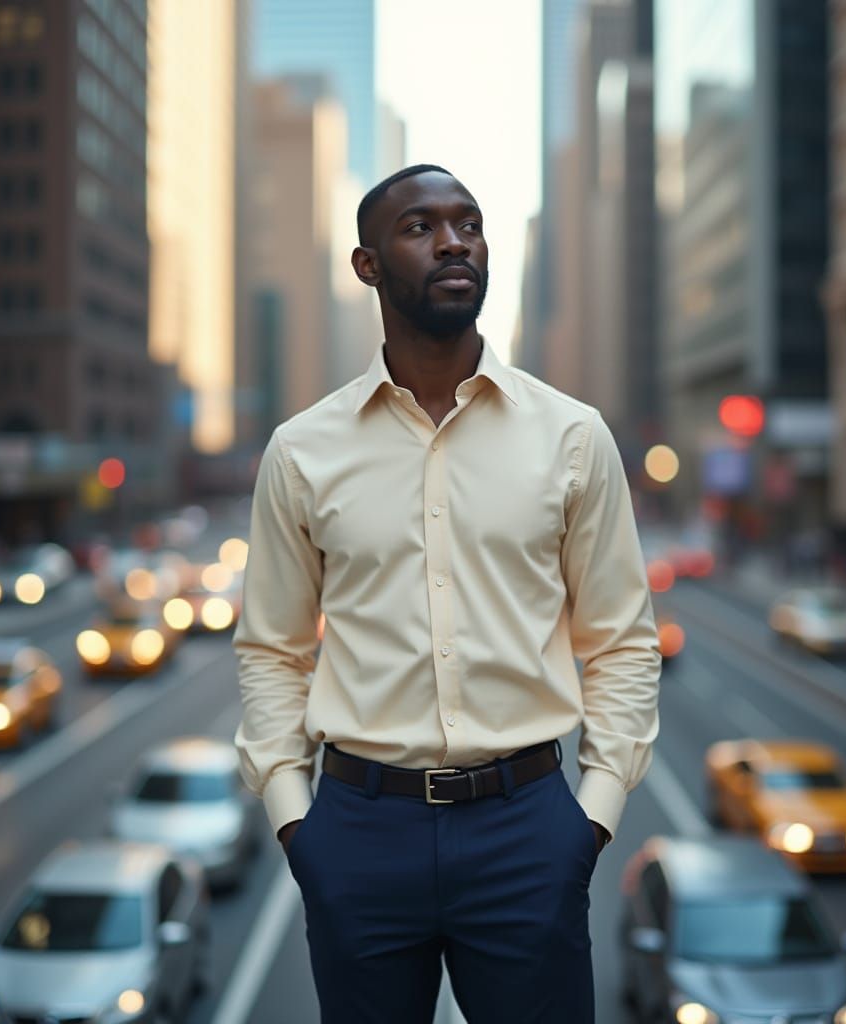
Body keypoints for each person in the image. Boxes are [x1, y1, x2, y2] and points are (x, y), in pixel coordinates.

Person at [234, 165, 661, 1023]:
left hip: (528, 829)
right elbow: (272, 649)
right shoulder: (301, 450)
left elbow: (621, 640)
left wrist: (590, 822)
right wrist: (296, 825)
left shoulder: (572, 436)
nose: (453, 240)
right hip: (358, 830)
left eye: (467, 223)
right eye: (420, 227)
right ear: (367, 265)